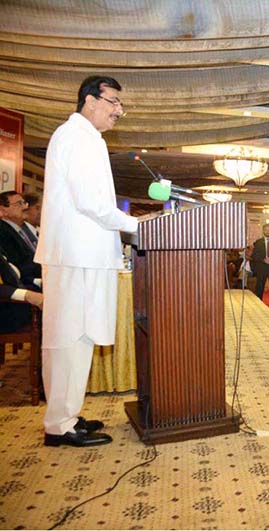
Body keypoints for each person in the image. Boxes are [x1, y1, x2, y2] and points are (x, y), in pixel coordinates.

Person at [35, 75, 138, 447]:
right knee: (67, 338)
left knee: (80, 338)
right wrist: (136, 226)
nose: (118, 111)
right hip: (74, 254)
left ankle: (67, 415)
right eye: (114, 102)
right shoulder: (74, 136)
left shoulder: (87, 138)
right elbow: (90, 203)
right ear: (91, 100)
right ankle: (59, 426)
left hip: (86, 254)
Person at [0, 191, 40, 277]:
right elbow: (19, 266)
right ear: (3, 211)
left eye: (24, 202)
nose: (25, 207)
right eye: (19, 203)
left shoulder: (23, 230)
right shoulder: (3, 233)